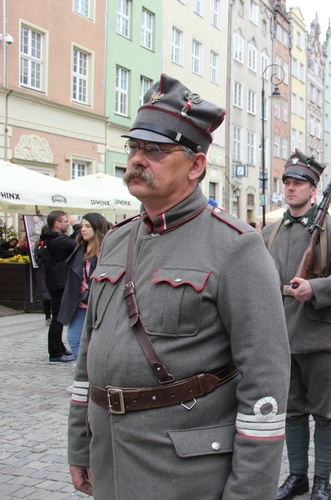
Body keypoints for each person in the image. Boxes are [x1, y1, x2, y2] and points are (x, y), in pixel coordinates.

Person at [67, 74, 290, 499]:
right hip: (111, 461)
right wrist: (80, 445)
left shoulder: (236, 247)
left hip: (185, 475)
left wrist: (249, 493)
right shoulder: (116, 239)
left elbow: (266, 383)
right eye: (134, 147)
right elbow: (88, 357)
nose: (137, 159)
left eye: (155, 150)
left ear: (195, 166)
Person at [262, 149, 331, 500]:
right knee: (291, 412)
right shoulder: (269, 233)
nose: (291, 188)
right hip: (281, 339)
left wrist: (315, 288)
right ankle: (298, 477)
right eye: (287, 182)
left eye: (298, 183)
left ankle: (322, 480)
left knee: (325, 413)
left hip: (319, 335)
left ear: (312, 189)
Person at [58, 213, 109, 359]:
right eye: (82, 226)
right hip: (79, 302)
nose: (83, 230)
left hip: (98, 303)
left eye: (88, 226)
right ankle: (83, 374)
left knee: (97, 341)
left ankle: (93, 374)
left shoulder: (107, 251)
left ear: (97, 228)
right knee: (74, 339)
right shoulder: (79, 248)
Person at [40, 211, 77, 362]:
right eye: (65, 221)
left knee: (59, 317)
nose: (67, 223)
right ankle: (55, 352)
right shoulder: (57, 241)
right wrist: (77, 226)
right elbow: (73, 244)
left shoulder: (51, 239)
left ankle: (59, 347)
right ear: (57, 224)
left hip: (56, 281)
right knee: (58, 318)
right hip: (59, 282)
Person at [33, 233, 53, 325]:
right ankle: (48, 317)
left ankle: (49, 317)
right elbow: (37, 259)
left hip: (46, 272)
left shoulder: (43, 245)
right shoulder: (39, 246)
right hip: (45, 273)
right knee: (46, 297)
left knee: (49, 296)